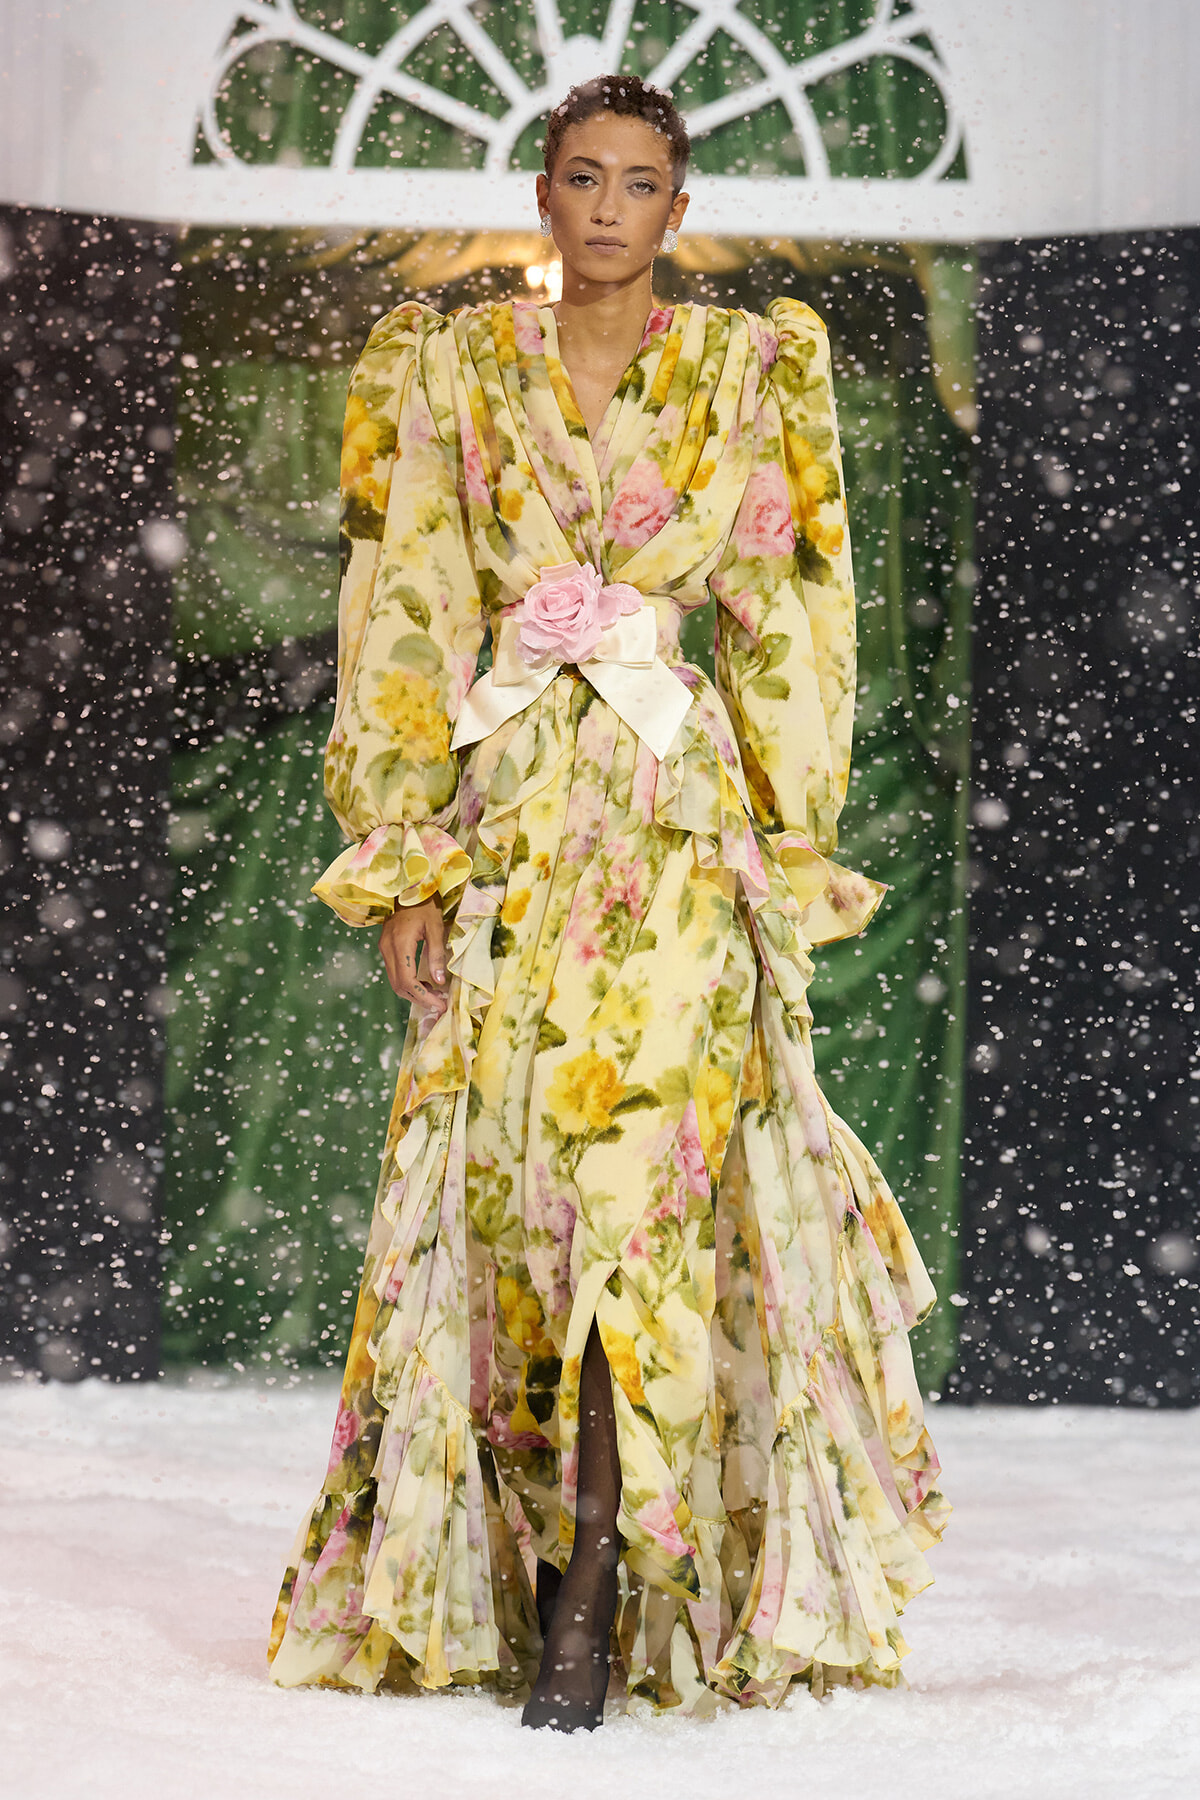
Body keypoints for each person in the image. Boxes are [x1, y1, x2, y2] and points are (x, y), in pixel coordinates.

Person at [267, 73, 949, 1731]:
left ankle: (596, 1589)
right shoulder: (450, 368)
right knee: (507, 1202)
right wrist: (408, 863)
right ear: (548, 190)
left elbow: (792, 607)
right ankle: (516, 1573)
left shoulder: (750, 368)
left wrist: (788, 843)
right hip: (511, 824)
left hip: (676, 829)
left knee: (644, 1193)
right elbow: (408, 606)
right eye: (583, 176)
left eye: (642, 183)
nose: (608, 208)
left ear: (677, 210)